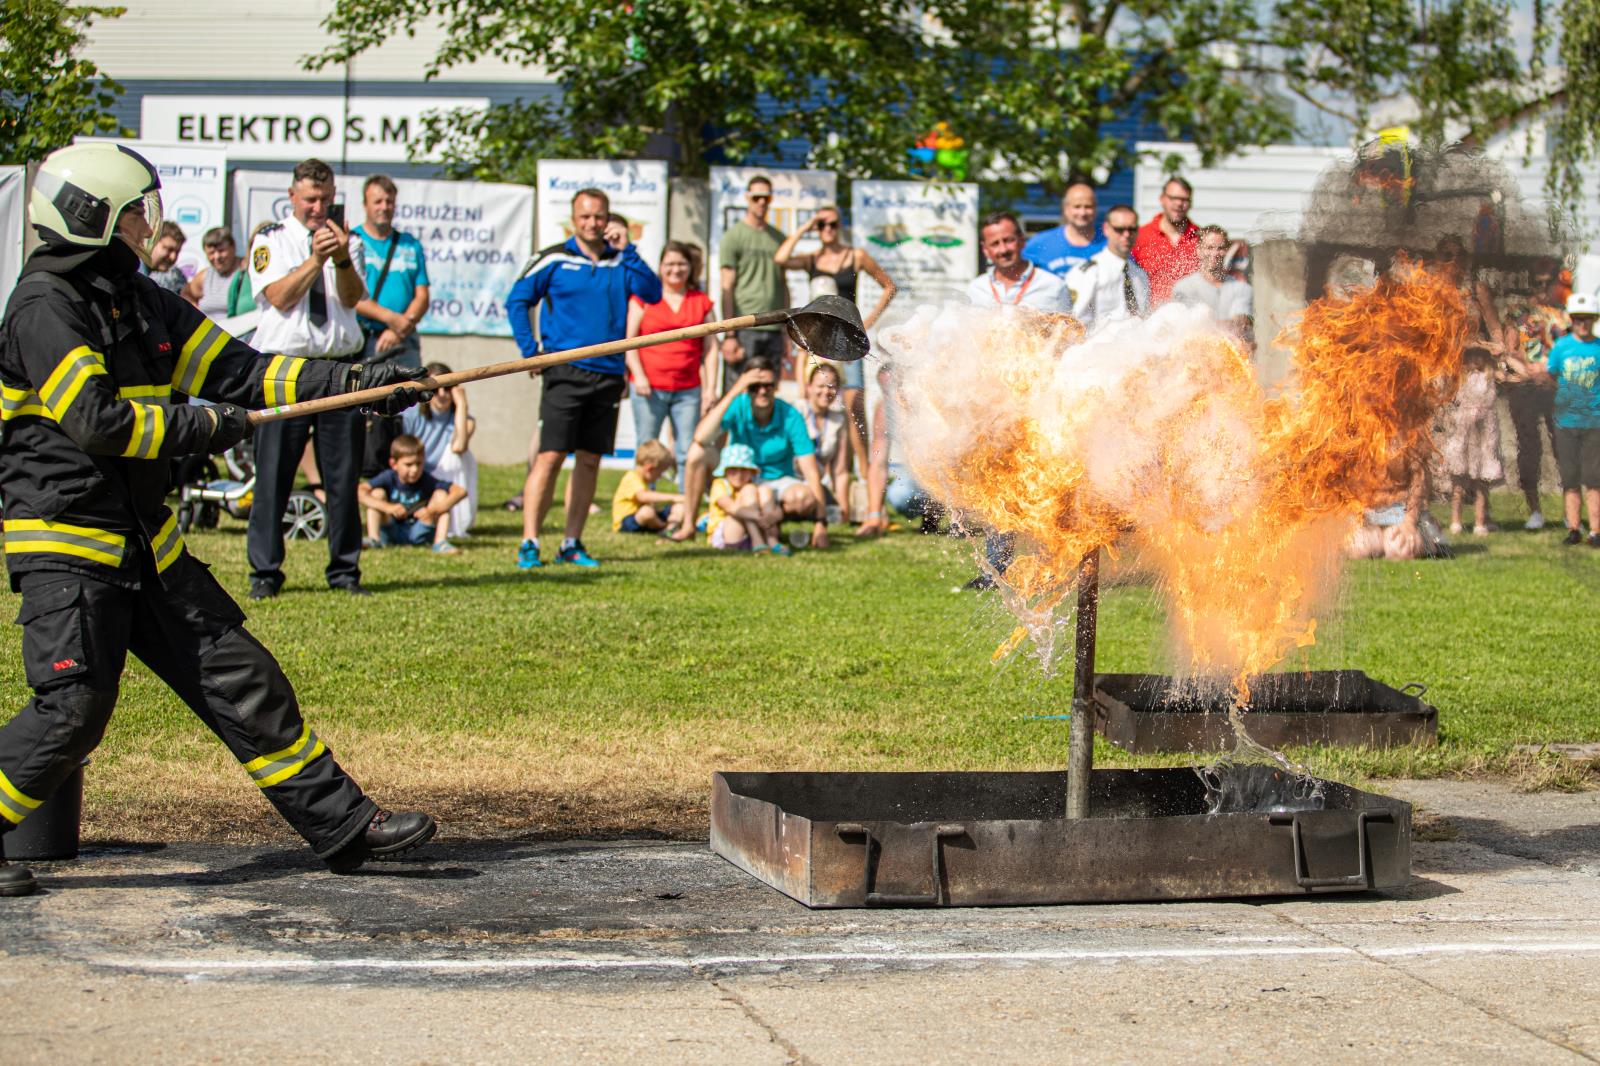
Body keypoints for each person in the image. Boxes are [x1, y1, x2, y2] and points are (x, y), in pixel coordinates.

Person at [0, 143, 434, 898]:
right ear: (94, 216)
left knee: (243, 678)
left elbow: (245, 369)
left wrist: (359, 383)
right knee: (73, 709)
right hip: (68, 541)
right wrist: (203, 428)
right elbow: (95, 422)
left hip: (145, 543)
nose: (148, 222)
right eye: (137, 210)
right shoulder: (46, 305)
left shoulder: (134, 297)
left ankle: (343, 827)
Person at [247, 157, 381, 600]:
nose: (318, 208)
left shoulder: (350, 242)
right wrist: (314, 259)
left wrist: (340, 257)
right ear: (292, 197)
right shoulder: (270, 240)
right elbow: (279, 297)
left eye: (325, 199)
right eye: (310, 200)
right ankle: (265, 572)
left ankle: (345, 571)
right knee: (274, 473)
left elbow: (351, 298)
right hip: (286, 367)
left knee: (343, 475)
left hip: (340, 365)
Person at [506, 187, 661, 569]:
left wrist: (630, 251)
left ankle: (571, 542)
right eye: (585, 217)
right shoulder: (554, 258)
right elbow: (517, 299)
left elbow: (652, 293)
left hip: (608, 373)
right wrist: (531, 351)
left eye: (599, 217)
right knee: (550, 456)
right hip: (565, 371)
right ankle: (529, 542)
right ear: (573, 219)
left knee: (590, 460)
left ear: (608, 219)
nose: (593, 224)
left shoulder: (622, 262)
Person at [773, 204, 897, 526]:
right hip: (815, 339)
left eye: (832, 223)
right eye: (822, 224)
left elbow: (889, 286)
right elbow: (781, 258)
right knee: (810, 401)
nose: (827, 229)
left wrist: (866, 322)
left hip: (844, 339)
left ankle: (866, 485)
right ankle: (825, 490)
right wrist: (805, 227)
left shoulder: (854, 256)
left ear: (841, 225)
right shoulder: (813, 258)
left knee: (853, 405)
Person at [673, 360, 829, 548]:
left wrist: (821, 524)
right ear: (746, 388)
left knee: (803, 497)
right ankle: (688, 526)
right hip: (740, 478)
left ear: (776, 386)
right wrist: (735, 390)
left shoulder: (790, 414)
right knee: (697, 452)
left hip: (778, 483)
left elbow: (811, 471)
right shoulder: (738, 403)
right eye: (755, 386)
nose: (762, 391)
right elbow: (701, 437)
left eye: (768, 385)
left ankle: (769, 521)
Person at [353, 174, 432, 479]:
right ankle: (368, 475)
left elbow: (422, 294)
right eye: (378, 202)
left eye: (389, 201)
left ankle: (405, 474)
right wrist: (390, 320)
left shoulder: (409, 244)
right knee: (366, 407)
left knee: (410, 404)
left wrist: (400, 327)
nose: (384, 207)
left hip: (404, 340)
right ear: (365, 205)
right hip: (366, 338)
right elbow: (351, 297)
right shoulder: (354, 241)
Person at [625, 241, 715, 473]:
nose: (676, 269)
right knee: (647, 451)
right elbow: (629, 342)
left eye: (681, 264)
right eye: (670, 264)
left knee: (687, 450)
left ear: (690, 267)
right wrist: (639, 375)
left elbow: (711, 348)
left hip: (688, 390)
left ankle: (686, 505)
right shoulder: (644, 298)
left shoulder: (701, 301)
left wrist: (710, 389)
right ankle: (643, 506)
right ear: (661, 266)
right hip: (649, 388)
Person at [1501, 264, 1570, 530]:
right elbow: (1509, 350)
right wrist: (1528, 370)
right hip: (1525, 388)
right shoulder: (1518, 314)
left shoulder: (1565, 316)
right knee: (1529, 449)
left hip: (1558, 387)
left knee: (1564, 450)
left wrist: (1549, 370)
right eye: (1537, 283)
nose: (1542, 289)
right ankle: (1535, 512)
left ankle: (1569, 512)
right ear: (1530, 284)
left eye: (1546, 283)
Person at [1531, 293, 1600, 546]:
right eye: (1579, 319)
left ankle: (1595, 531)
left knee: (1594, 479)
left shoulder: (1599, 347)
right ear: (1572, 320)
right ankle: (1573, 529)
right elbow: (1551, 375)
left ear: (1594, 320)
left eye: (1588, 319)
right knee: (1570, 478)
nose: (1583, 323)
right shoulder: (1562, 348)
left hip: (1595, 422)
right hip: (1565, 422)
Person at [719, 175, 788, 376]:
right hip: (744, 326)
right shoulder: (733, 236)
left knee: (769, 392)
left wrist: (786, 329)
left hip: (774, 326)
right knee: (739, 393)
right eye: (756, 197)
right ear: (747, 198)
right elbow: (727, 287)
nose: (761, 202)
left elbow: (783, 284)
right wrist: (730, 334)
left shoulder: (778, 238)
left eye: (766, 198)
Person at [402, 361, 476, 537]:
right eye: (435, 389)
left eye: (447, 387)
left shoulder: (465, 419)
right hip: (416, 477)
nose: (442, 394)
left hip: (443, 483)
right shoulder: (410, 415)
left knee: (457, 458)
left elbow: (459, 446)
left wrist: (462, 406)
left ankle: (450, 525)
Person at [359, 435, 466, 554]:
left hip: (419, 532)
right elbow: (360, 491)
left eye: (419, 464)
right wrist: (388, 507)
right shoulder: (389, 477)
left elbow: (460, 492)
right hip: (391, 530)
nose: (415, 470)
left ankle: (440, 543)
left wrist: (431, 511)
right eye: (408, 465)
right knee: (377, 493)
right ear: (394, 464)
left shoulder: (426, 479)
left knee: (441, 495)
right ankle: (375, 540)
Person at [1443, 346, 1507, 535]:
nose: (1476, 359)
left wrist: (1500, 355)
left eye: (1480, 355)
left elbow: (1512, 372)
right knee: (1458, 480)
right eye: (1472, 355)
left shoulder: (1491, 375)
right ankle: (1456, 521)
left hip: (1484, 434)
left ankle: (1480, 522)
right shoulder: (1459, 377)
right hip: (1464, 432)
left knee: (1481, 480)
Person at [1066, 204, 1151, 334]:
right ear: (1106, 229)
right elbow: (1077, 322)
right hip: (1098, 347)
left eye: (1132, 229)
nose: (1126, 234)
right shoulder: (1090, 271)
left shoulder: (1140, 274)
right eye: (1119, 229)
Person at [965, 211, 1072, 313]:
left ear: (1022, 240)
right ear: (985, 250)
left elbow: (1070, 330)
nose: (1003, 249)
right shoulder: (976, 289)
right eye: (995, 243)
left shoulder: (1054, 286)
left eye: (1008, 240)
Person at [1171, 224, 1252, 345]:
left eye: (1220, 248)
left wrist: (1205, 324)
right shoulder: (1184, 287)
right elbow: (1183, 329)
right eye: (1209, 248)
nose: (1215, 253)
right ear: (1198, 250)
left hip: (1231, 356)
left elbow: (1241, 324)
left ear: (1227, 250)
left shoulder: (1242, 288)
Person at [705, 443, 787, 553]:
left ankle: (772, 540)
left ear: (751, 471)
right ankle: (757, 540)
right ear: (725, 471)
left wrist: (772, 516)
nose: (738, 475)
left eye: (743, 469)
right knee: (748, 491)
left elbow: (779, 510)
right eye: (733, 469)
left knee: (765, 490)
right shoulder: (720, 484)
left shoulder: (756, 485)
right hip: (728, 534)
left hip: (754, 528)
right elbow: (731, 508)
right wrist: (758, 516)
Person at [1132, 177, 1200, 307]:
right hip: (1151, 318)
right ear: (1162, 199)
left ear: (1190, 203)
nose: (1179, 204)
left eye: (1184, 199)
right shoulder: (1140, 236)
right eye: (1173, 198)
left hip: (1191, 319)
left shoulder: (1201, 239)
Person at [800, 360, 851, 521]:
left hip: (817, 486)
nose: (826, 391)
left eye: (831, 386)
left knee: (834, 513)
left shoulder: (839, 420)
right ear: (809, 387)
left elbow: (840, 471)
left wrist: (843, 508)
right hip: (792, 479)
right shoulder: (797, 411)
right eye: (820, 386)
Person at [1023, 179, 1105, 276]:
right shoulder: (1041, 243)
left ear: (1095, 209)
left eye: (1088, 207)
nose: (1082, 213)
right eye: (1077, 207)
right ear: (1065, 208)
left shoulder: (1108, 245)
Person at [612, 439, 685, 534]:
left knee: (679, 507)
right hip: (627, 522)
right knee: (647, 512)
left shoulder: (643, 481)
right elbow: (643, 496)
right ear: (649, 468)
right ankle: (665, 526)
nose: (660, 477)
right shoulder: (631, 478)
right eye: (659, 473)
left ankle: (671, 528)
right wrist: (674, 497)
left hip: (645, 519)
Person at [181, 227, 243, 322]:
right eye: (211, 253)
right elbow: (186, 292)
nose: (217, 257)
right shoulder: (205, 275)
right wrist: (193, 307)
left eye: (221, 251)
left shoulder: (245, 271)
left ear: (233, 247)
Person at [144, 220, 187, 293]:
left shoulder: (177, 276)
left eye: (177, 252)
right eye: (169, 249)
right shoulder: (131, 271)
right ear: (152, 243)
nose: (173, 257)